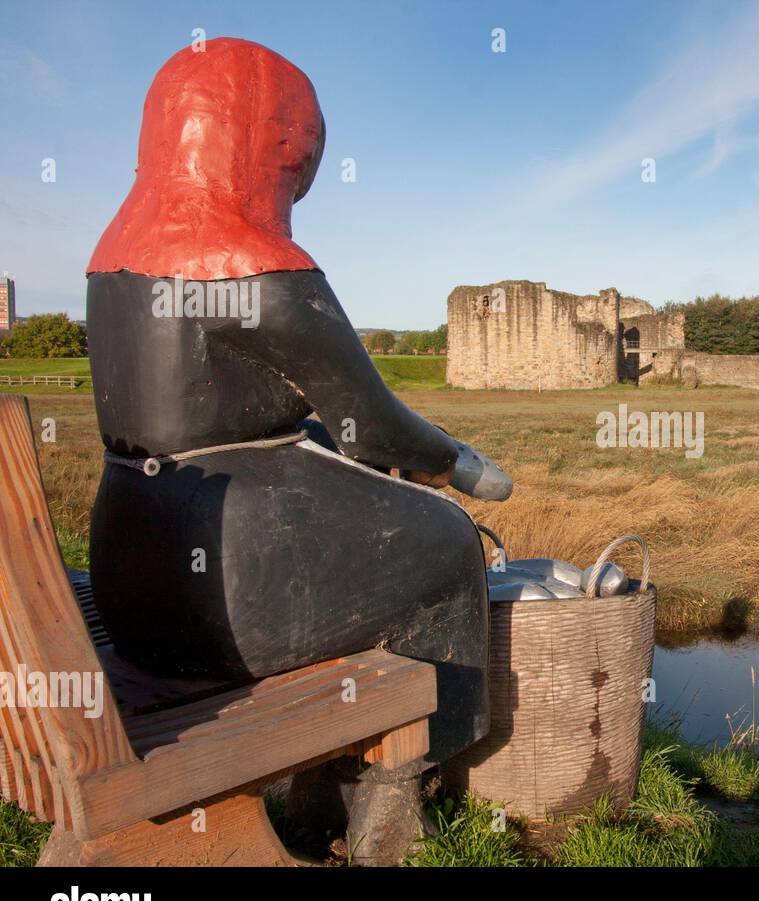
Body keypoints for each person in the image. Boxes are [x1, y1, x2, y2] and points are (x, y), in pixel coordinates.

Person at [85, 38, 502, 769]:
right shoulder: (252, 263)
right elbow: (369, 427)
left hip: (132, 578)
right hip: (224, 588)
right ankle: (414, 773)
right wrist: (459, 463)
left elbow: (236, 415)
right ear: (280, 146)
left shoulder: (113, 255)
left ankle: (345, 763)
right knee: (443, 543)